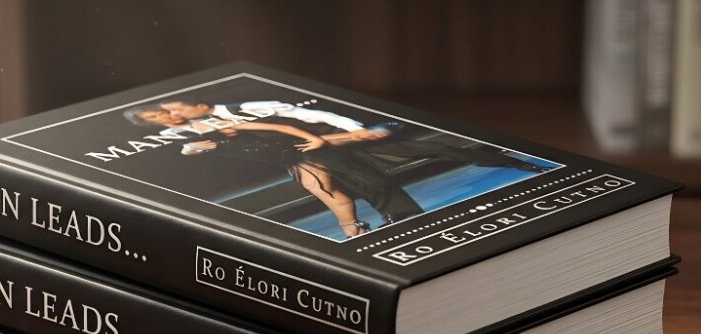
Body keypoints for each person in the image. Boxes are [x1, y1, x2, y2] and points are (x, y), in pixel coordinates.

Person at [128, 106, 424, 237]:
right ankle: (355, 228)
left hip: (295, 150)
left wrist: (317, 138)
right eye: (155, 117)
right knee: (327, 189)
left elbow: (278, 127)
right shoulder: (178, 137)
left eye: (160, 111)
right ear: (152, 124)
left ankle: (354, 231)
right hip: (286, 158)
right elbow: (185, 150)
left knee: (326, 188)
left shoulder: (215, 121)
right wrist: (194, 149)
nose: (163, 116)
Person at [161, 99, 551, 173]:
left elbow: (306, 116)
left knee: (432, 148)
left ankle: (509, 159)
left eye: (177, 109)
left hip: (332, 138)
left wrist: (353, 130)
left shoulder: (250, 108)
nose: (176, 115)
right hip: (314, 153)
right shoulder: (207, 133)